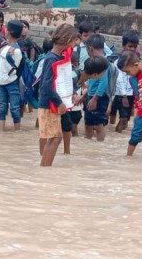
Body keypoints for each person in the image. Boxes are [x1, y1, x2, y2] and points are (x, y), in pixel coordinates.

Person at [38, 24, 77, 166]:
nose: (75, 44)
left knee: (53, 137)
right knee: (55, 137)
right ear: (67, 41)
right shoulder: (51, 59)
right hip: (49, 105)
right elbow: (46, 86)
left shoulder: (55, 58)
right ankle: (45, 168)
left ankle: (45, 166)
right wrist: (59, 102)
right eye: (74, 41)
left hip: (50, 103)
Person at [0, 20, 25, 131]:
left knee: (14, 108)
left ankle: (17, 131)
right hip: (1, 82)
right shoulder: (6, 47)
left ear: (8, 32)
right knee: (2, 106)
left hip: (11, 82)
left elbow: (16, 66)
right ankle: (1, 131)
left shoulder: (16, 51)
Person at [83, 34, 111, 142]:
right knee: (88, 124)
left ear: (89, 48)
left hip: (99, 99)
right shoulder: (95, 61)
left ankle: (100, 147)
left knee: (98, 125)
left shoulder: (103, 63)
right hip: (91, 96)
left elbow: (103, 83)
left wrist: (95, 99)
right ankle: (88, 147)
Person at [109, 30, 138, 133]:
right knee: (114, 116)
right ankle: (114, 138)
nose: (132, 49)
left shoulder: (137, 62)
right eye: (130, 46)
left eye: (135, 47)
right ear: (123, 46)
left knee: (125, 118)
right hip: (119, 93)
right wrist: (124, 96)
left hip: (130, 94)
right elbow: (119, 79)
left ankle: (117, 135)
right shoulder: (118, 62)